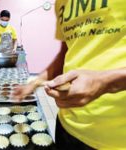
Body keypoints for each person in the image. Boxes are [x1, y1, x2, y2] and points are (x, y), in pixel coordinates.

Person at [13, 0, 126, 149]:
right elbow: (65, 54)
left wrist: (105, 81)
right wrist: (34, 83)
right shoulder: (61, 3)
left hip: (113, 137)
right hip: (66, 125)